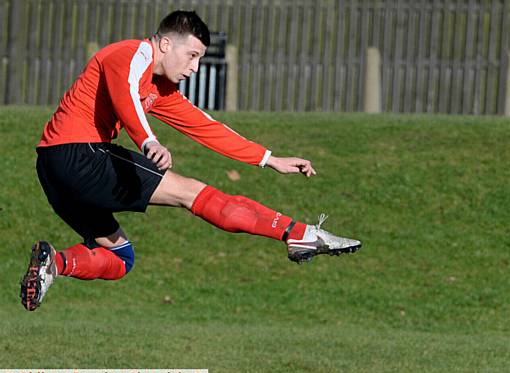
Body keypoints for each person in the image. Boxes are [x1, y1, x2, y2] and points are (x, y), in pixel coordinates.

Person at [20, 10, 361, 311]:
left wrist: (269, 159)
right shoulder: (130, 53)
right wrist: (148, 140)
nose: (195, 67)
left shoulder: (160, 89)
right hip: (80, 154)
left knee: (120, 258)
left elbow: (205, 127)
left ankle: (55, 263)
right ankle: (296, 233)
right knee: (191, 193)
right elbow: (126, 97)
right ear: (166, 44)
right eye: (193, 55)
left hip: (52, 171)